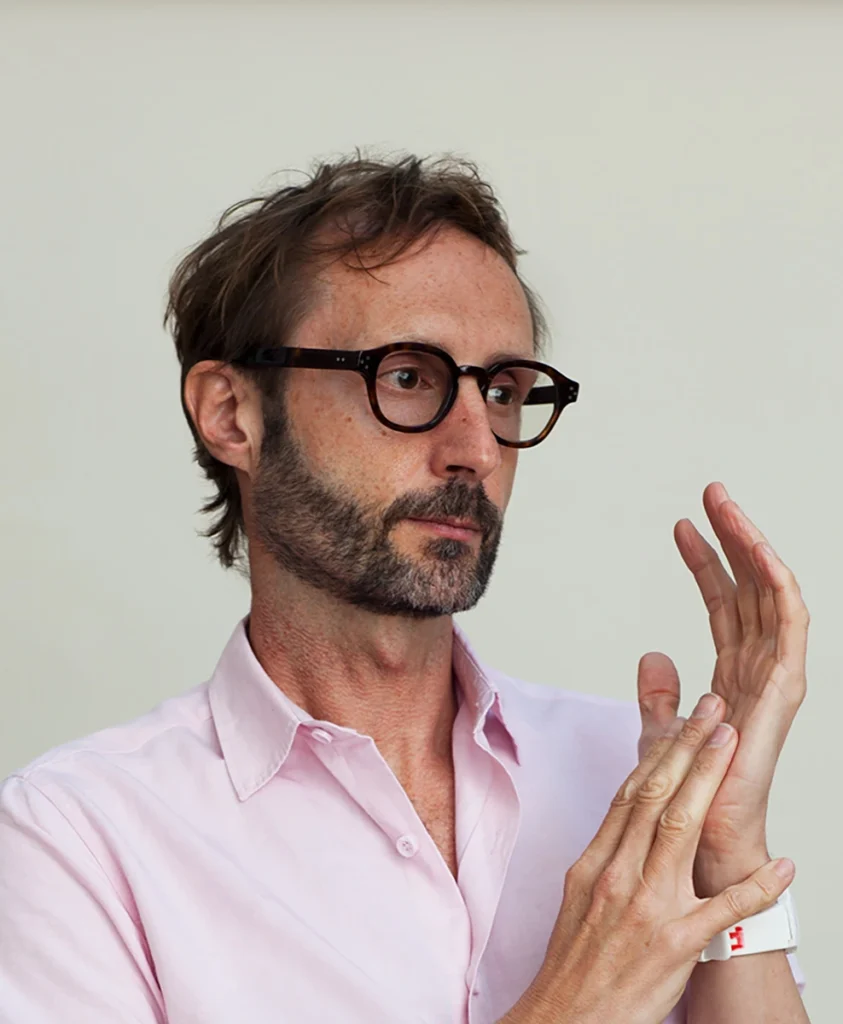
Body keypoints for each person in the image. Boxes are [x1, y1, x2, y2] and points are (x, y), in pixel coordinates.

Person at [0, 155, 810, 1024]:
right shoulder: (77, 837)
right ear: (233, 414)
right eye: (407, 376)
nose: (477, 447)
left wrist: (727, 865)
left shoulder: (637, 769)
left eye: (501, 390)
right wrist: (578, 1003)